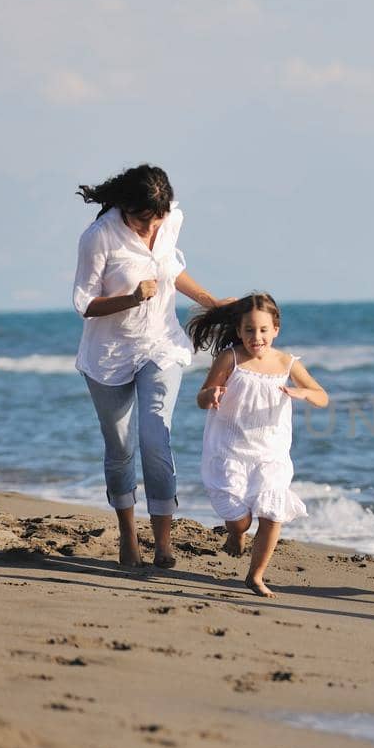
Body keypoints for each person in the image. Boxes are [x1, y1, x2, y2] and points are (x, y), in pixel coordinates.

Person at [72, 164, 225, 569]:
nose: (151, 227)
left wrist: (211, 301)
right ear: (125, 207)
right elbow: (85, 304)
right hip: (108, 355)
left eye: (156, 219)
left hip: (160, 344)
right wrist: (130, 298)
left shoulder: (170, 217)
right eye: (143, 220)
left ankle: (163, 543)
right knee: (121, 448)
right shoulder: (99, 237)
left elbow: (171, 268)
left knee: (156, 438)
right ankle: (128, 535)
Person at [189, 293, 328, 597]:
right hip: (230, 451)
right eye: (249, 330)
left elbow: (322, 395)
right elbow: (201, 398)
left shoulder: (286, 362)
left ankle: (256, 575)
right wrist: (211, 394)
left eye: (264, 330)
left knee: (272, 511)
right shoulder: (230, 358)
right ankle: (236, 534)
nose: (257, 337)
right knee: (240, 520)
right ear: (238, 331)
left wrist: (304, 393)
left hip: (271, 454)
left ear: (276, 329)